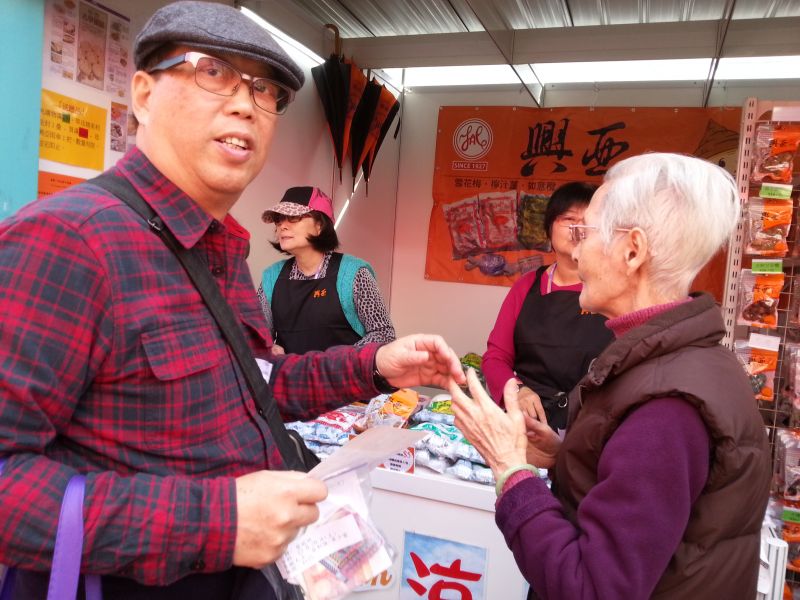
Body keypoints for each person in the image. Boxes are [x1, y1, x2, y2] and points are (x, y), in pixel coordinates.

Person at [0, 2, 465, 599]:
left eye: (265, 89)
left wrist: (373, 365)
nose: (246, 103)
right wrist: (216, 523)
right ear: (143, 95)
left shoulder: (219, 250)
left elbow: (255, 385)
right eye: (213, 71)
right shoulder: (69, 240)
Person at [448, 153, 770, 599]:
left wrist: (510, 469)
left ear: (631, 251)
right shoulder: (676, 363)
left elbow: (593, 588)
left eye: (586, 233)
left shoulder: (667, 406)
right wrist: (566, 455)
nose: (575, 251)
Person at [482, 182, 613, 431]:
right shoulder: (526, 285)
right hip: (528, 423)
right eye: (568, 219)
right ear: (549, 228)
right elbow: (495, 357)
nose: (577, 229)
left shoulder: (614, 290)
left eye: (587, 221)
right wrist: (516, 390)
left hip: (589, 427)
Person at [259, 186, 396, 354]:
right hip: (292, 371)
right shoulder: (271, 278)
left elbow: (384, 334)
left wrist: (338, 361)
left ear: (320, 226)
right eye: (279, 219)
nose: (282, 226)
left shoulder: (354, 273)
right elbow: (257, 337)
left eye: (293, 217)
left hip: (345, 370)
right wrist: (268, 348)